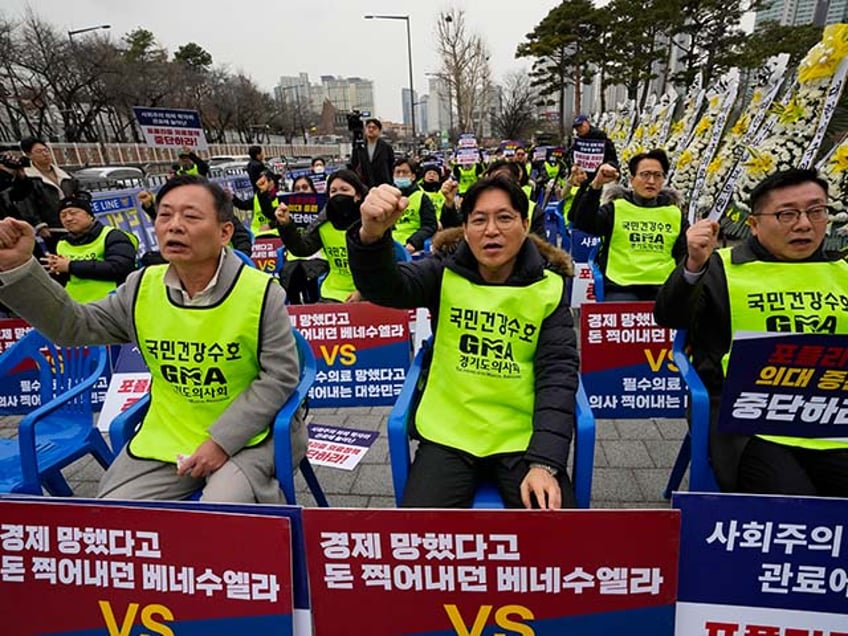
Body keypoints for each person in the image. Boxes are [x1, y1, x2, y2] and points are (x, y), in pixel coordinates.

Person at [0, 174, 306, 503]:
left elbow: (280, 377)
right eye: (164, 215)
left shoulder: (261, 292)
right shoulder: (141, 286)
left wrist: (221, 442)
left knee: (224, 511)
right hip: (169, 434)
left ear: (225, 232)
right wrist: (20, 268)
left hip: (254, 434)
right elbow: (74, 327)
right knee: (117, 516)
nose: (174, 226)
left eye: (191, 216)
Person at [347, 175, 580, 509]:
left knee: (557, 543)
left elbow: (558, 375)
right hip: (448, 435)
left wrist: (544, 463)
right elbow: (386, 287)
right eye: (479, 220)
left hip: (520, 439)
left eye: (504, 217)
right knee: (420, 542)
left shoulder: (549, 289)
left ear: (525, 223)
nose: (491, 230)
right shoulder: (443, 273)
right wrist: (371, 236)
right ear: (466, 229)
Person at [654, 167, 848, 496]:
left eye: (816, 211)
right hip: (748, 421)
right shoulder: (722, 267)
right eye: (787, 214)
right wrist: (693, 265)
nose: (804, 225)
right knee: (794, 500)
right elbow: (670, 314)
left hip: (834, 416)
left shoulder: (842, 271)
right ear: (754, 224)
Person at [572, 149, 688, 301]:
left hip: (664, 286)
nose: (651, 181)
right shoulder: (615, 208)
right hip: (620, 285)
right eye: (645, 175)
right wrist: (596, 185)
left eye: (657, 175)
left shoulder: (675, 214)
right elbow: (583, 223)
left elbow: (684, 254)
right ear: (632, 179)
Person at [275, 169, 368, 303]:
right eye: (333, 191)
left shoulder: (370, 223)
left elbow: (386, 266)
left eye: (344, 190)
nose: (338, 195)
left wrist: (363, 292)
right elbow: (302, 249)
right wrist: (286, 225)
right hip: (332, 293)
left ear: (357, 195)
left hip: (369, 293)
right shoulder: (324, 223)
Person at [47, 191, 137, 303]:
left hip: (112, 303)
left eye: (73, 213)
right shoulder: (62, 243)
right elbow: (62, 279)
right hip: (76, 305)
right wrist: (54, 268)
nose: (68, 218)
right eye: (63, 216)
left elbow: (120, 267)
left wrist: (71, 266)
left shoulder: (112, 236)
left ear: (89, 215)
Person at [14, 137, 75, 252]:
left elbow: (78, 190)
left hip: (74, 222)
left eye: (46, 150)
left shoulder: (64, 174)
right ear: (29, 155)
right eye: (39, 151)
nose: (45, 154)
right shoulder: (28, 178)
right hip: (53, 228)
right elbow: (27, 204)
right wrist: (39, 225)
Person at [278, 175, 329, 304]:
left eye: (305, 187)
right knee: (291, 272)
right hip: (294, 257)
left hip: (318, 256)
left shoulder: (324, 210)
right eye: (297, 188)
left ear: (313, 190)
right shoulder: (287, 211)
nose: (301, 190)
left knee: (308, 273)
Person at [391, 158, 437, 254]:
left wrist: (414, 242)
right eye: (397, 172)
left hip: (412, 247)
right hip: (388, 245)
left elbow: (430, 226)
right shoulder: (388, 196)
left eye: (405, 172)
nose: (401, 175)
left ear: (413, 176)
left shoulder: (422, 197)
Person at [231, 170, 280, 238]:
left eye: (268, 180)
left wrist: (270, 225)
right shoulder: (258, 197)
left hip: (276, 235)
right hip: (257, 234)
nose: (266, 184)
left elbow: (285, 218)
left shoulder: (281, 197)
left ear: (273, 182)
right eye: (262, 182)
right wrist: (232, 197)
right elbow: (243, 205)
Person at [568, 114, 618, 182]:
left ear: (587, 123)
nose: (579, 129)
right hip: (583, 175)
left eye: (581, 126)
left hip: (601, 174)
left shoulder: (599, 136)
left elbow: (611, 155)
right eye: (576, 127)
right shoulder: (577, 140)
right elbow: (572, 155)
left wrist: (608, 166)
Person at [349, 118, 395, 188]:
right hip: (364, 184)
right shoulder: (359, 146)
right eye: (369, 127)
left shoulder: (386, 147)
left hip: (382, 184)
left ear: (379, 131)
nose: (371, 130)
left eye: (374, 128)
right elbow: (354, 164)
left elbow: (391, 166)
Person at [419, 163, 461, 229]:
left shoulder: (445, 192)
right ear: (424, 177)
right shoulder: (418, 192)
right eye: (429, 173)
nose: (432, 175)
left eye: (435, 174)